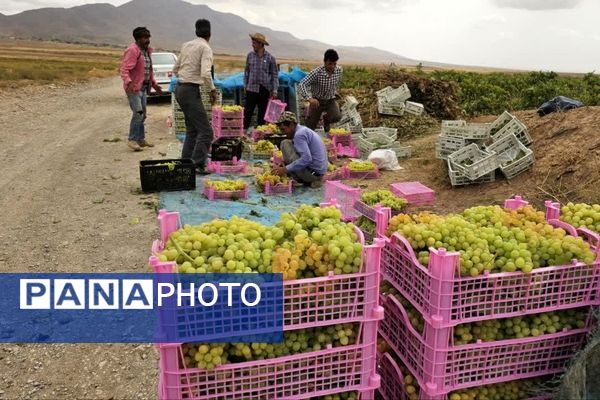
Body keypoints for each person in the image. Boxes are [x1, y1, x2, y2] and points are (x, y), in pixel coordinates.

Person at [173, 19, 219, 174]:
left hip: (180, 89)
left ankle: (185, 162)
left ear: (196, 31)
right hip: (190, 90)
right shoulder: (205, 48)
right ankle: (198, 164)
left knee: (192, 130)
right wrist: (212, 90)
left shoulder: (186, 45)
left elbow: (176, 68)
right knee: (206, 132)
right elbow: (206, 73)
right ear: (210, 34)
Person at [120, 26, 163, 151]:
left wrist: (154, 84)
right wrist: (129, 82)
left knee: (143, 115)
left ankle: (140, 139)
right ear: (138, 39)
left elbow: (147, 71)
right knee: (138, 114)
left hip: (143, 88)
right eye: (145, 38)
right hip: (134, 89)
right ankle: (132, 140)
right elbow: (124, 69)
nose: (147, 40)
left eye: (148, 37)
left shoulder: (147, 51)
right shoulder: (132, 50)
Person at [272, 111, 327, 188]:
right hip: (318, 173)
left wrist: (285, 169)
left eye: (283, 129)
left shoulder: (299, 135)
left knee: (285, 143)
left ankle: (299, 177)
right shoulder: (303, 130)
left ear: (291, 124)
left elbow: (306, 159)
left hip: (312, 175)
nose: (283, 133)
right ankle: (297, 173)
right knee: (288, 142)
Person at [297, 49, 342, 133]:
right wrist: (310, 99)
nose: (332, 66)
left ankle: (326, 119)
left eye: (334, 64)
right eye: (330, 64)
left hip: (330, 99)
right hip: (317, 101)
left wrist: (335, 92)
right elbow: (302, 84)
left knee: (336, 116)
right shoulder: (316, 72)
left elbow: (337, 82)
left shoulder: (339, 70)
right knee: (310, 126)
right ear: (324, 62)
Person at [243, 32, 279, 130]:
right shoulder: (250, 56)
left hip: (264, 89)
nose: (252, 44)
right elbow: (246, 72)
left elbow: (274, 75)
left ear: (260, 44)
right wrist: (245, 85)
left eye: (254, 43)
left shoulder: (270, 58)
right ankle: (243, 133)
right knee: (247, 113)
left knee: (262, 115)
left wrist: (274, 90)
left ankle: (260, 135)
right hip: (251, 89)